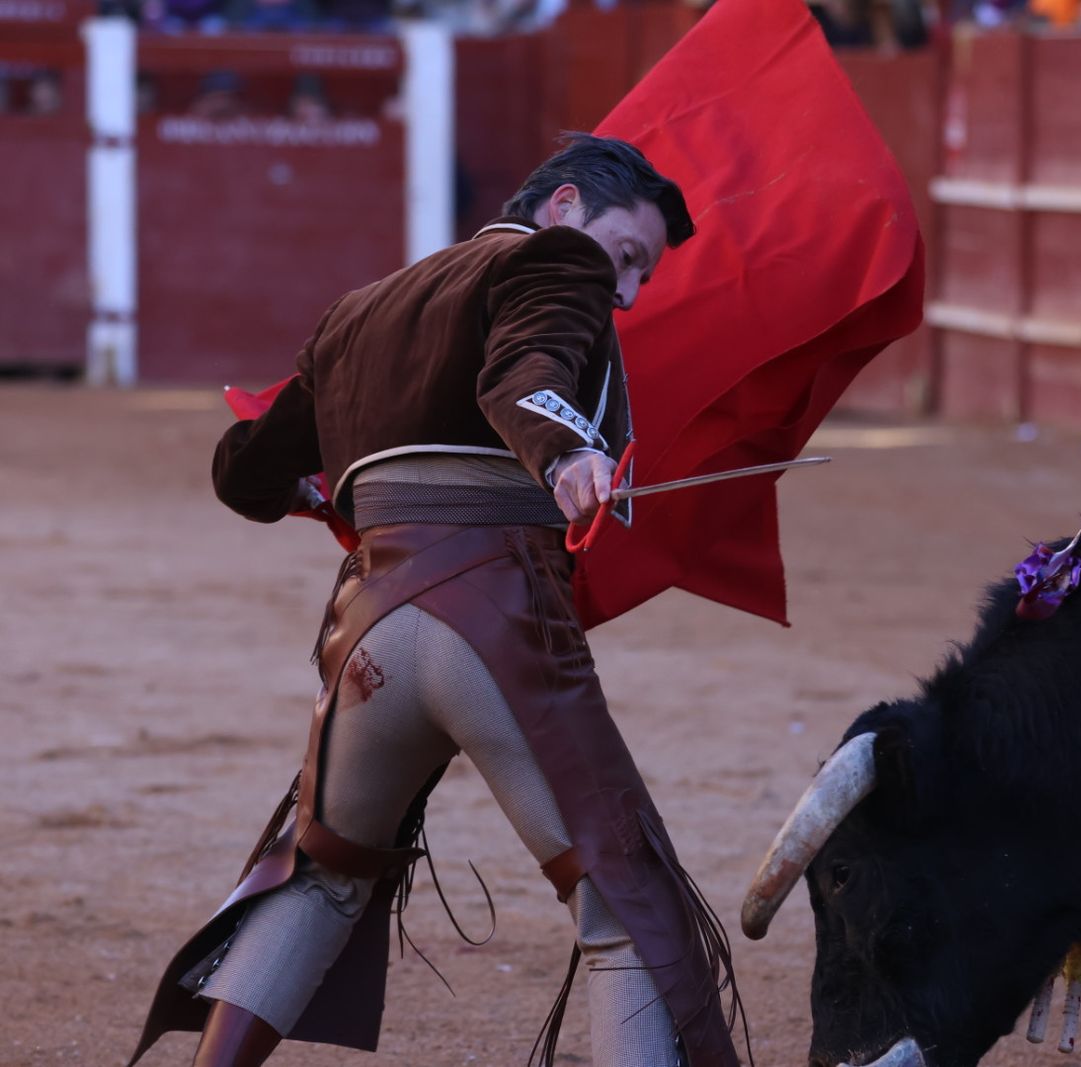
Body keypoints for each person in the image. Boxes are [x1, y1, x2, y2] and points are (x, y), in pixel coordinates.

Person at [128, 134, 741, 1067]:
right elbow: (523, 376)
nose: (624, 291)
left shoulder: (359, 310)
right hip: (493, 624)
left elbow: (244, 471)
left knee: (322, 874)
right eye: (626, 257)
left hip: (368, 638)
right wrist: (568, 454)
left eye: (638, 276)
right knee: (627, 903)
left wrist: (315, 490)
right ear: (565, 207)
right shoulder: (557, 260)